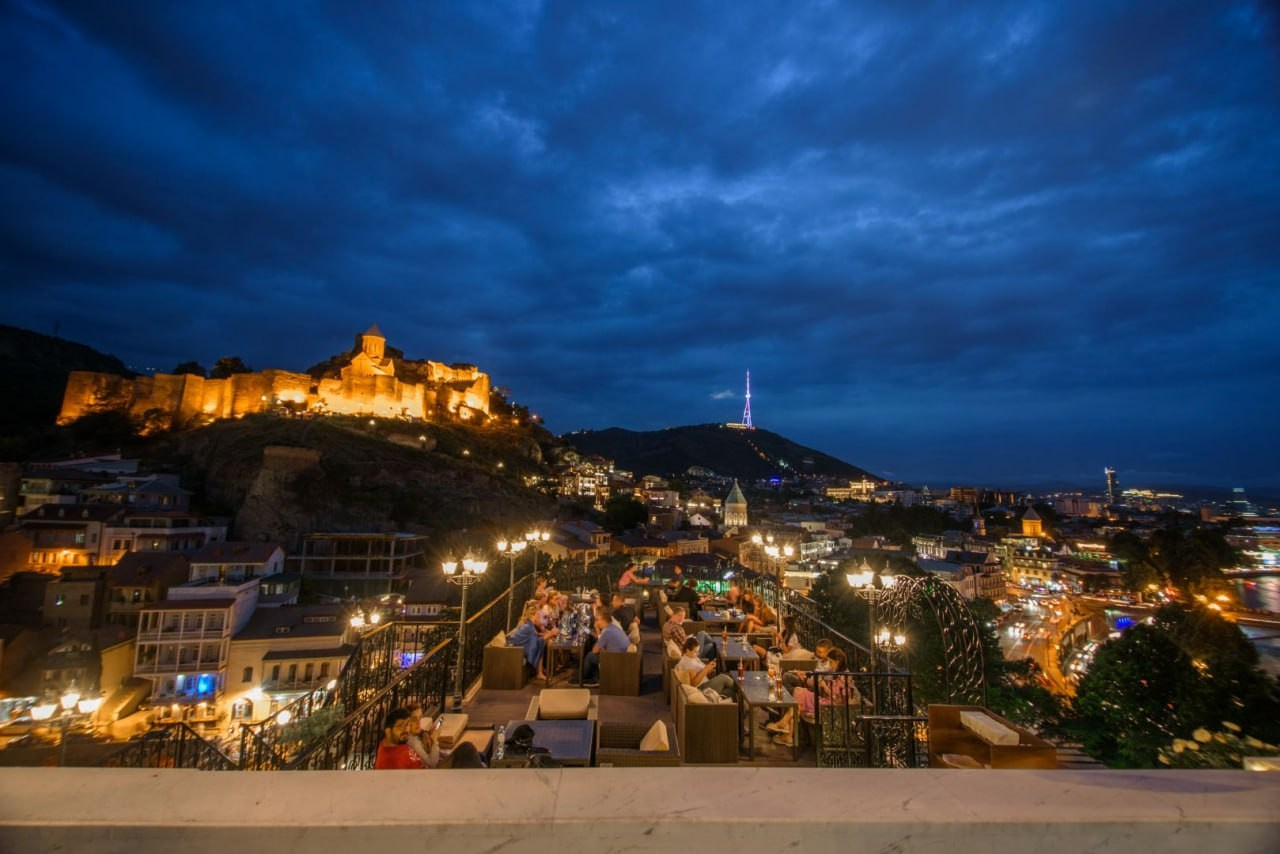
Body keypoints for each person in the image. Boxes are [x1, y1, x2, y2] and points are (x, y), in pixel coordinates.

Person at [770, 648, 850, 746]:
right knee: (798, 694)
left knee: (798, 699)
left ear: (838, 662)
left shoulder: (844, 677)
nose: (829, 664)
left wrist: (823, 686)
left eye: (831, 662)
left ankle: (785, 727)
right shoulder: (834, 672)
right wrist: (806, 677)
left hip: (829, 707)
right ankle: (787, 732)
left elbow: (837, 699)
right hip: (823, 698)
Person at [575, 607, 630, 686]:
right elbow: (600, 640)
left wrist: (596, 630)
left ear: (603, 620)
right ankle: (595, 678)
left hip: (614, 659)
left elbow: (595, 651)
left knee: (590, 656)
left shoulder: (607, 631)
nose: (596, 622)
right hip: (621, 656)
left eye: (598, 620)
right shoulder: (612, 627)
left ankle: (581, 678)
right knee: (594, 650)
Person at [507, 601, 558, 681]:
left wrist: (547, 634)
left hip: (520, 644)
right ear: (532, 615)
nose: (538, 617)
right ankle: (540, 673)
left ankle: (540, 672)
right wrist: (550, 634)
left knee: (541, 643)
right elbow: (536, 640)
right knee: (541, 643)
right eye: (537, 615)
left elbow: (535, 636)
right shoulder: (528, 626)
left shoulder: (529, 624)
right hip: (516, 648)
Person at [405, 702, 440, 768]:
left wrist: (428, 734)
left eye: (420, 718)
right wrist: (435, 740)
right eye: (414, 719)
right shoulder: (413, 742)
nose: (418, 723)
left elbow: (422, 732)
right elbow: (432, 764)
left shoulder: (416, 734)